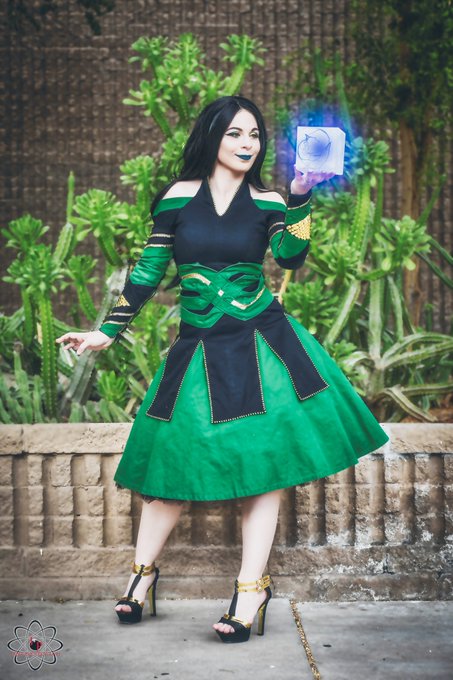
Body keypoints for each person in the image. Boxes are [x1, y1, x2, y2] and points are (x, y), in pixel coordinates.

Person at [56, 95, 389, 644]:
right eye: (235, 133)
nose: (246, 143)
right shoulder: (177, 197)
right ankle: (141, 576)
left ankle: (251, 589)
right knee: (169, 463)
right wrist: (105, 331)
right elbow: (148, 271)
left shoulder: (269, 200)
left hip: (264, 346)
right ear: (211, 136)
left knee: (263, 472)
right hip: (197, 348)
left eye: (254, 135)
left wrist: (301, 194)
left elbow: (290, 257)